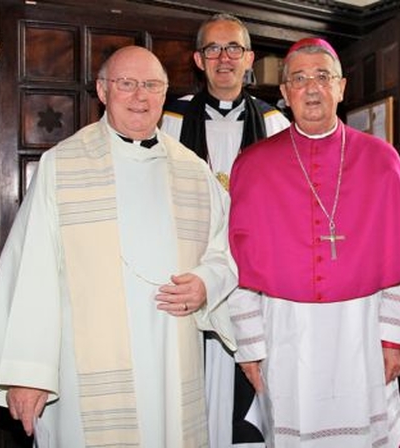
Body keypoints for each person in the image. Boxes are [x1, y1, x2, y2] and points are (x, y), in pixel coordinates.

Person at [0, 45, 237, 447]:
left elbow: (227, 247)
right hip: (85, 368)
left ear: (164, 94)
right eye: (126, 84)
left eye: (152, 85)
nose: (140, 96)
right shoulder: (63, 165)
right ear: (103, 91)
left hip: (171, 358)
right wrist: (27, 373)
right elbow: (30, 270)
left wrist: (207, 283)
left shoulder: (194, 170)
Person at [227, 37, 400, 447]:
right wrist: (249, 348)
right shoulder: (253, 166)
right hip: (285, 330)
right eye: (298, 79)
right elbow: (239, 267)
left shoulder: (382, 160)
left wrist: (395, 340)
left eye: (323, 76)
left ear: (341, 87)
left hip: (362, 328)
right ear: (284, 94)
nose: (312, 87)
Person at [161, 13, 289, 447]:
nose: (224, 58)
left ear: (249, 58)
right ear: (198, 59)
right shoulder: (168, 120)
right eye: (213, 49)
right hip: (191, 270)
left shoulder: (275, 123)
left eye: (233, 48)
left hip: (253, 276)